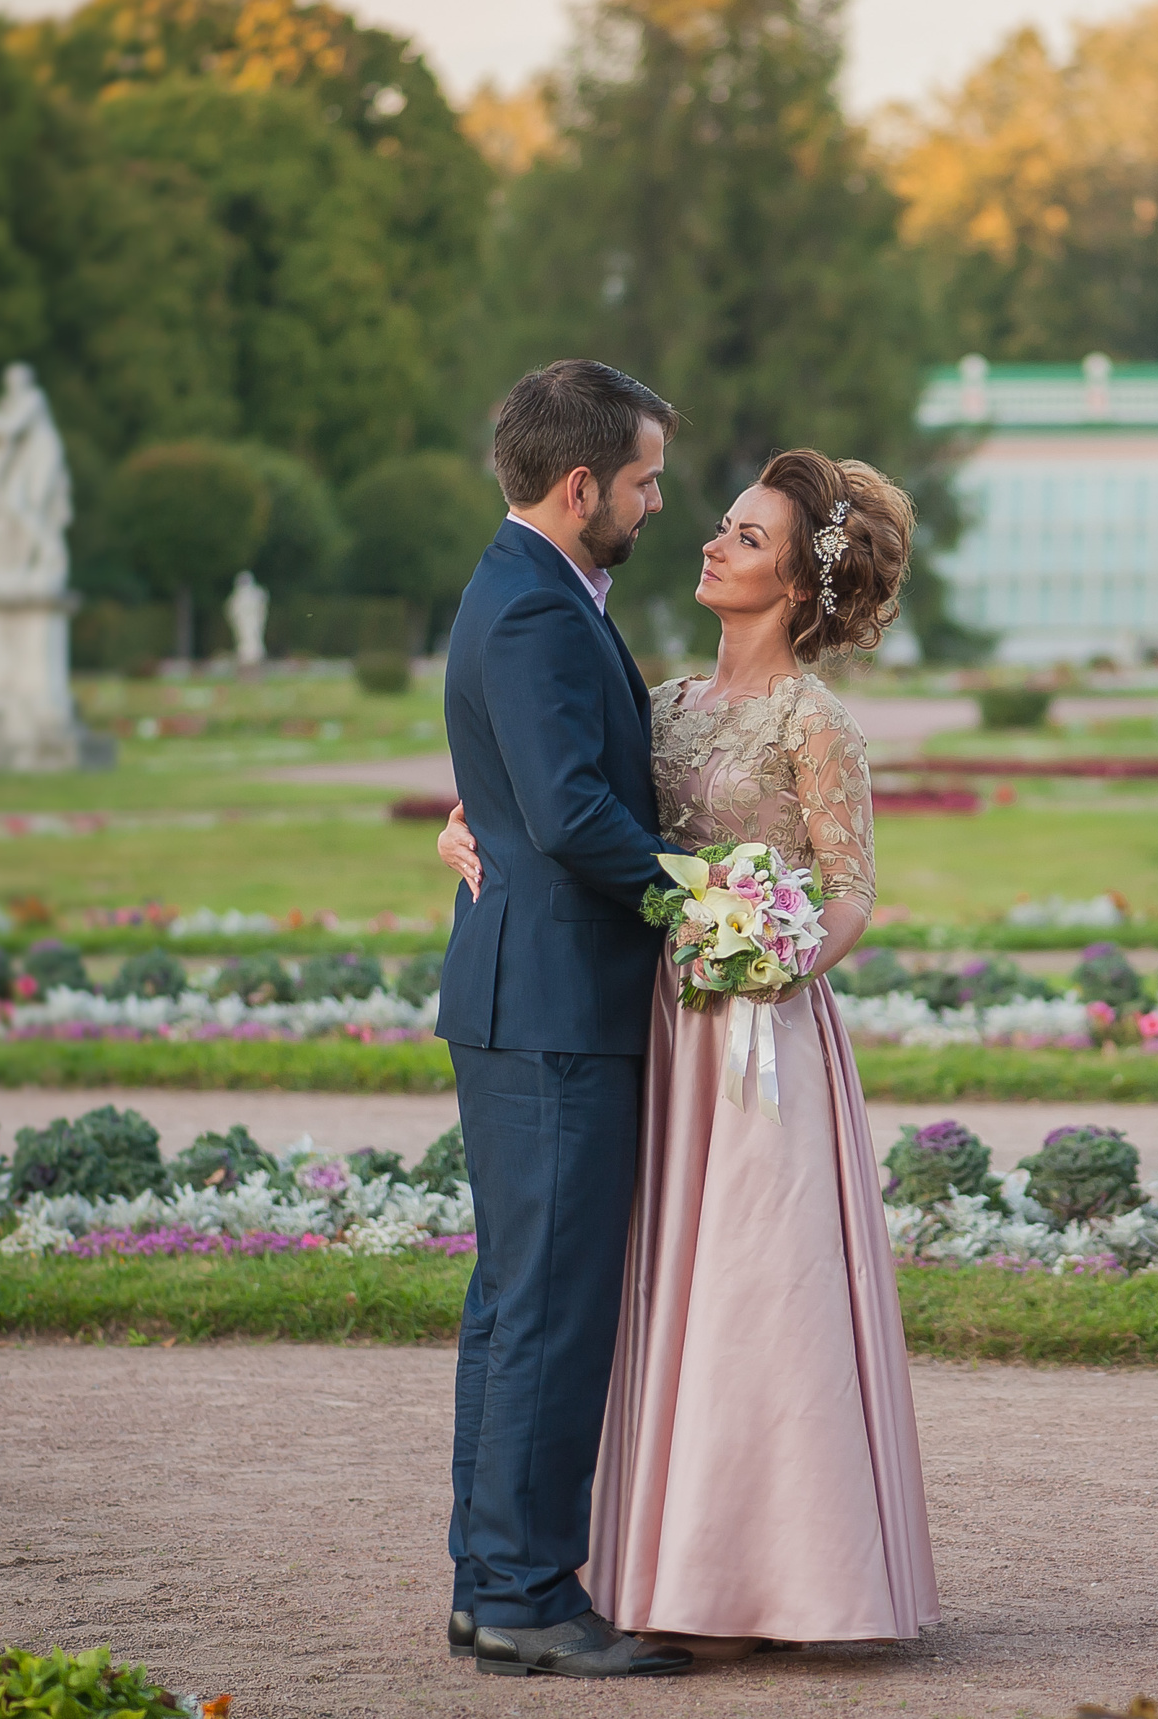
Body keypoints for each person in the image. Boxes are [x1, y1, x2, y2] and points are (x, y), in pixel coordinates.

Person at [439, 446, 940, 1656]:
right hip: (651, 1032)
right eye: (720, 524)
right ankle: (629, 1570)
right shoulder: (659, 704)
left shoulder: (814, 726)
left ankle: (766, 1577)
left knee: (755, 1303)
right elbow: (563, 806)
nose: (709, 543)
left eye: (747, 539)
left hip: (759, 1044)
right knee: (640, 1296)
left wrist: (773, 954)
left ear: (798, 587)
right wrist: (467, 828)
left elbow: (852, 891)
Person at [433, 359, 693, 1681]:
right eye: (645, 482)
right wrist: (700, 898)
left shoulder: (532, 588)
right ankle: (527, 1590)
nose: (656, 505)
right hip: (553, 1006)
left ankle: (496, 1582)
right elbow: (570, 809)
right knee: (548, 1308)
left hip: (528, 992)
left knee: (515, 1302)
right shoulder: (536, 607)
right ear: (583, 482)